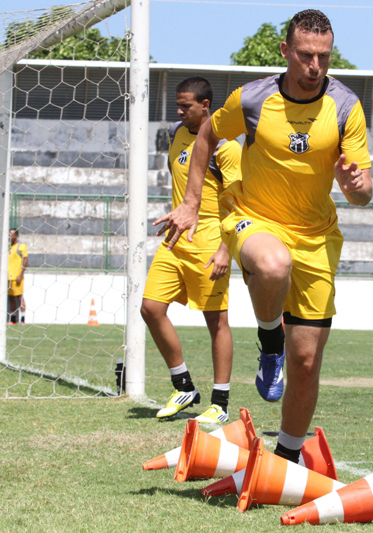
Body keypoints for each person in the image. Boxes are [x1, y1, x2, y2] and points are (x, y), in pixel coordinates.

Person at [155, 10, 372, 462]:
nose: (315, 66)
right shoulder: (253, 98)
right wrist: (192, 201)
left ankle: (286, 460)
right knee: (274, 265)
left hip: (317, 237)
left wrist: (354, 186)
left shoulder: (346, 106)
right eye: (306, 55)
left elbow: (363, 192)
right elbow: (208, 134)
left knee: (306, 362)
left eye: (324, 56)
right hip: (252, 218)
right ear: (286, 51)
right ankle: (271, 338)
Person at [142, 76, 242, 424]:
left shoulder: (227, 147)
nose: (180, 112)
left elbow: (239, 202)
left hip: (210, 242)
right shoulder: (176, 133)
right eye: (178, 105)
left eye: (186, 106)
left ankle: (220, 403)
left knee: (216, 322)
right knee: (151, 309)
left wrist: (226, 249)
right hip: (175, 239)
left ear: (206, 106)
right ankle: (183, 385)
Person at [7, 228, 28, 324]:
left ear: (16, 235)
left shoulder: (21, 246)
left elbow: (25, 260)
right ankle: (13, 319)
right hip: (8, 277)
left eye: (11, 234)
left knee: (19, 297)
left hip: (17, 276)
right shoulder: (8, 247)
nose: (9, 236)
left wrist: (21, 274)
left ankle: (23, 319)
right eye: (8, 234)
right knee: (11, 298)